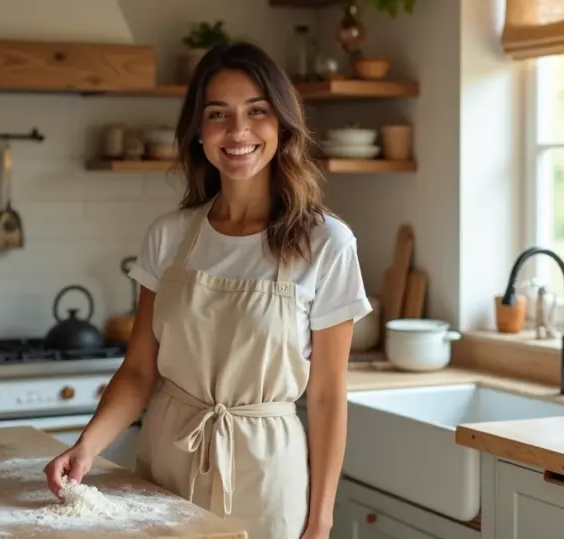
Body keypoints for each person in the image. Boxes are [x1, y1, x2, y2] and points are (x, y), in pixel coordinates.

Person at [44, 40, 372, 539]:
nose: (238, 131)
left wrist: (321, 519)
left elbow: (327, 396)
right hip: (166, 462)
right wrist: (86, 446)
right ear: (198, 132)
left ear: (282, 124)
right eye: (218, 114)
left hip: (267, 476)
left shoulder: (326, 243)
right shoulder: (169, 237)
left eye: (256, 111)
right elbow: (138, 371)